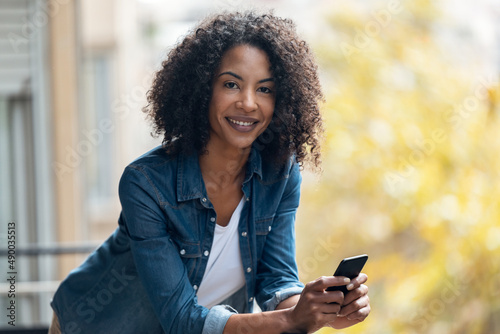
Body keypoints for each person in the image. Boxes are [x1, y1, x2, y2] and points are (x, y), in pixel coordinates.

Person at [49, 10, 370, 334]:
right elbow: (180, 319)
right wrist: (290, 320)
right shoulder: (145, 184)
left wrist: (321, 312)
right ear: (203, 90)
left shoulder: (279, 174)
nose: (248, 103)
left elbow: (275, 281)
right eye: (231, 84)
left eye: (265, 89)